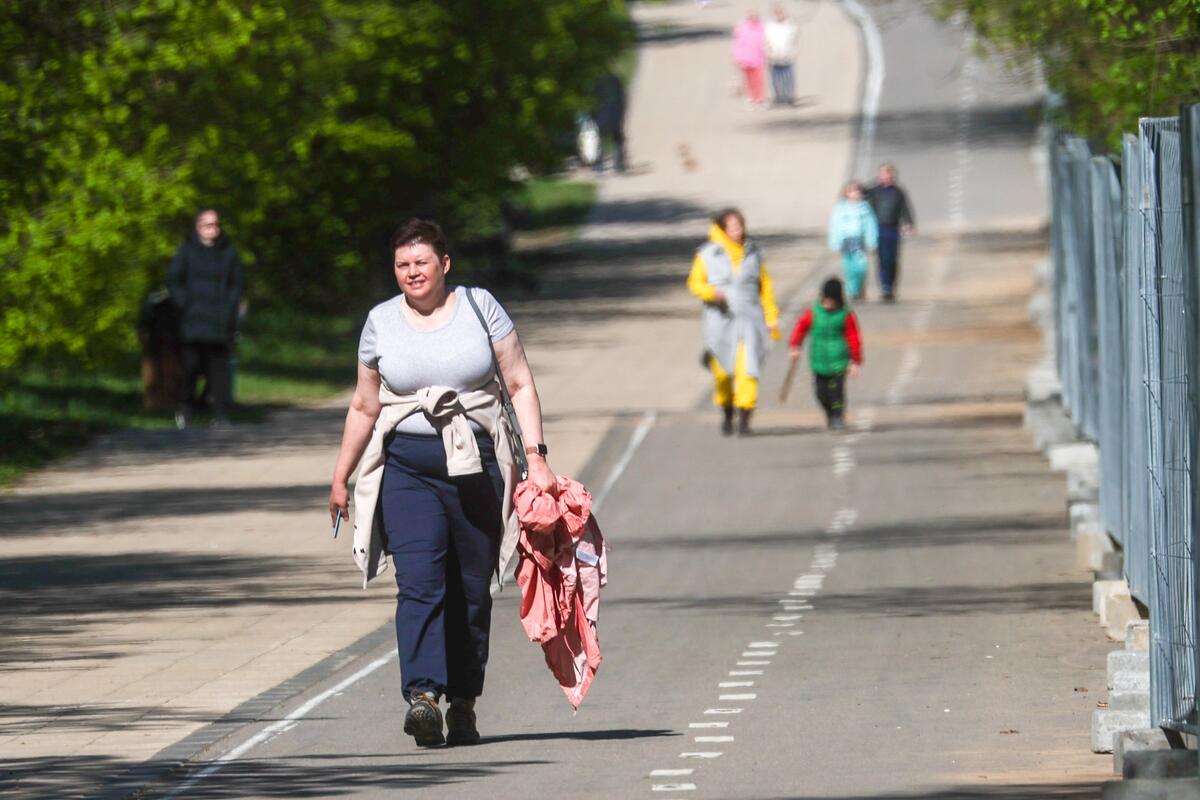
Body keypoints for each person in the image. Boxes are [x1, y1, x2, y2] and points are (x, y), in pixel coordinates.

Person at [329, 218, 557, 749]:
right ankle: (423, 697)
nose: (412, 273)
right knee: (420, 582)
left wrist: (537, 458)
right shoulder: (381, 322)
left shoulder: (481, 307)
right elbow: (364, 404)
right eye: (402, 265)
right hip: (407, 466)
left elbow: (520, 383)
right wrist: (340, 476)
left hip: (477, 462)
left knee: (472, 590)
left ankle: (462, 701)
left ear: (444, 264)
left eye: (421, 263)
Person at [688, 208, 781, 436]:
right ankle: (728, 411)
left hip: (750, 319)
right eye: (733, 227)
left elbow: (765, 287)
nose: (738, 231)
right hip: (720, 321)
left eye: (740, 226)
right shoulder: (708, 254)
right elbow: (694, 283)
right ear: (722, 229)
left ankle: (745, 419)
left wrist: (771, 318)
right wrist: (711, 293)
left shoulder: (754, 252)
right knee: (723, 373)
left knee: (749, 369)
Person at [167, 208, 243, 429]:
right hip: (192, 323)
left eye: (216, 224)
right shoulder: (186, 251)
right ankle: (185, 410)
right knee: (189, 368)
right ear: (198, 227)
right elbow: (174, 281)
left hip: (219, 323)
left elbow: (236, 285)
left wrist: (230, 310)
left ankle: (219, 414)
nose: (213, 229)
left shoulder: (228, 253)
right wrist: (185, 304)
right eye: (208, 225)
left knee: (218, 371)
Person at [787, 277, 863, 430]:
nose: (828, 304)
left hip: (838, 363)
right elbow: (800, 328)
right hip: (819, 362)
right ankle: (829, 413)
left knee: (836, 393)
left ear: (838, 300)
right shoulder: (813, 313)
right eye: (826, 300)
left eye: (832, 301)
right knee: (821, 394)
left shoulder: (845, 315)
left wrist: (855, 361)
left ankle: (837, 415)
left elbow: (854, 337)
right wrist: (795, 345)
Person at [866, 163, 916, 302]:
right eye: (882, 173)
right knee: (882, 259)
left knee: (892, 259)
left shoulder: (898, 191)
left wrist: (909, 223)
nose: (885, 176)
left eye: (888, 174)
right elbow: (860, 193)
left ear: (893, 176)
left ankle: (891, 286)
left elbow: (905, 208)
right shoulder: (874, 190)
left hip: (893, 230)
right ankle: (885, 287)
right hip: (878, 230)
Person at [827, 180, 878, 301]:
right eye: (852, 191)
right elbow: (835, 226)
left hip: (860, 241)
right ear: (846, 193)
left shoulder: (865, 208)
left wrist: (872, 242)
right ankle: (852, 291)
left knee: (861, 267)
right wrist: (835, 243)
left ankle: (859, 287)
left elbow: (871, 226)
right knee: (849, 268)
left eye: (857, 191)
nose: (855, 193)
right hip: (846, 241)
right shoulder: (840, 208)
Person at [593, 70, 628, 173]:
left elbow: (592, 101)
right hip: (614, 113)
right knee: (617, 138)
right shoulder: (615, 79)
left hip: (601, 115)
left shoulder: (595, 82)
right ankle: (618, 165)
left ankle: (599, 165)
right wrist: (622, 112)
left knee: (598, 139)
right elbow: (622, 98)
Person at [732, 11, 767, 107]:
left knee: (758, 80)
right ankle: (752, 98)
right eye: (751, 16)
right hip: (746, 59)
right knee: (749, 80)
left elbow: (766, 41)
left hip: (758, 59)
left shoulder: (762, 27)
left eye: (755, 16)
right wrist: (737, 58)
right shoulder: (742, 28)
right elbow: (736, 45)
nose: (753, 18)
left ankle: (759, 98)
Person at [765, 4, 798, 106]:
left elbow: (796, 40)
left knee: (788, 78)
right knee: (775, 79)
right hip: (774, 57)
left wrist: (794, 53)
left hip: (786, 56)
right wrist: (767, 52)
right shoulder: (769, 26)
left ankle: (789, 97)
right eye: (776, 13)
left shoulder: (790, 26)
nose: (779, 15)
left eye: (780, 13)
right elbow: (765, 41)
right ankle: (778, 97)